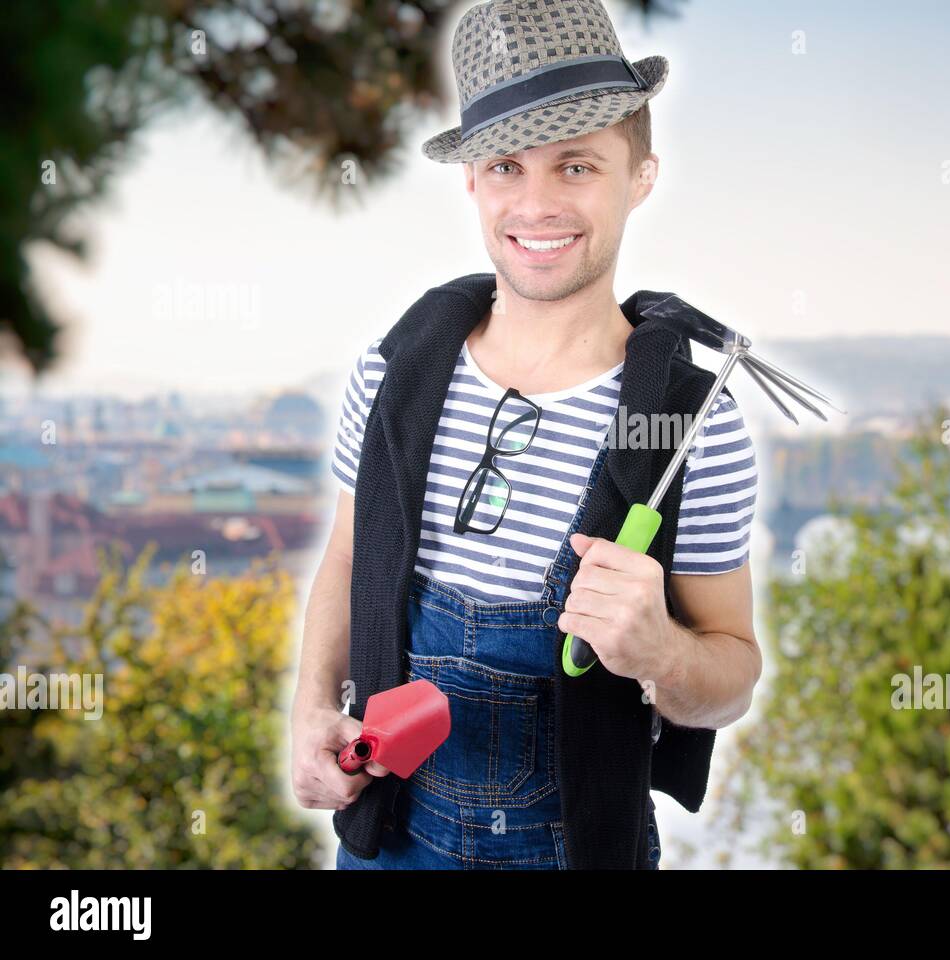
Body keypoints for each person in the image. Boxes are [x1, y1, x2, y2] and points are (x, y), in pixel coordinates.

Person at [290, 0, 760, 870]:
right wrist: (312, 709)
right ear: (472, 180)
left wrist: (661, 652)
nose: (537, 204)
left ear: (641, 176)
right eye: (507, 164)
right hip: (386, 840)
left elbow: (731, 674)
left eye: (576, 165)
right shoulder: (392, 375)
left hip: (579, 849)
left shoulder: (693, 423)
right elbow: (350, 562)